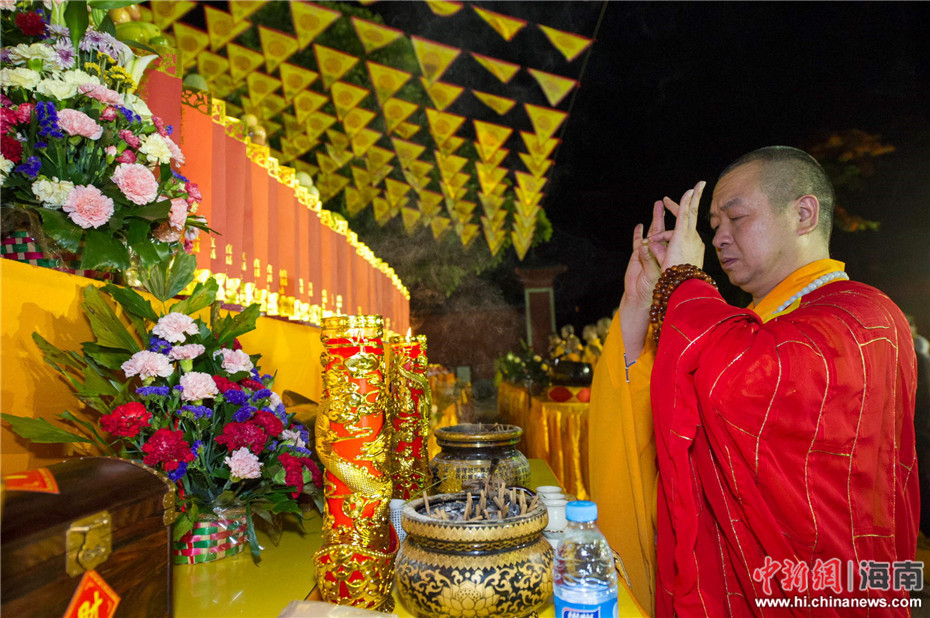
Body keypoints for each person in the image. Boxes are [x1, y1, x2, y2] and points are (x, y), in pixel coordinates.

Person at [588, 146, 918, 616]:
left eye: (736, 218)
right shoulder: (754, 325)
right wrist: (640, 303)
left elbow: (741, 383)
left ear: (804, 214)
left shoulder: (860, 315)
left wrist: (683, 280)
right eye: (714, 225)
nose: (719, 238)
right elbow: (658, 407)